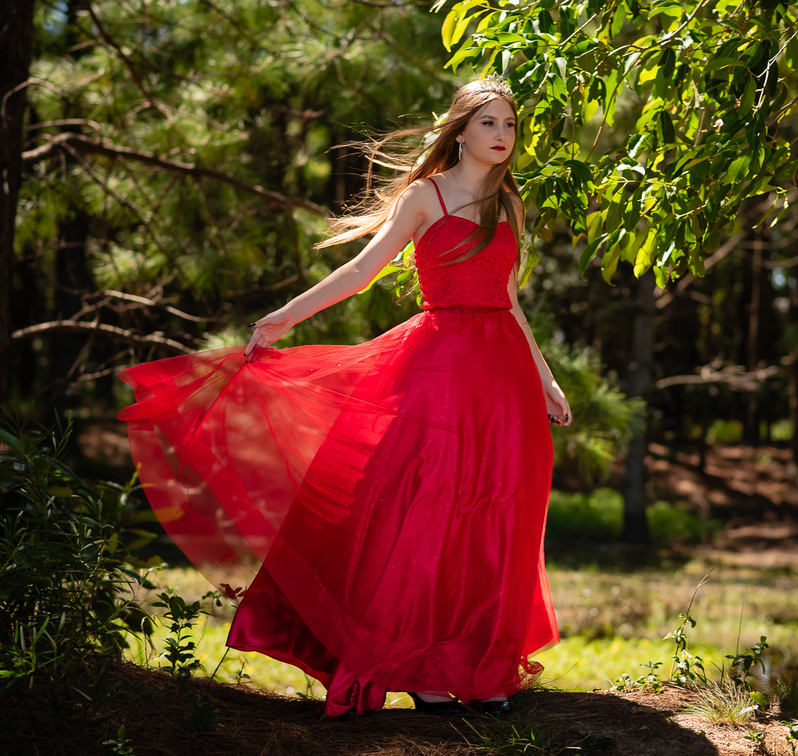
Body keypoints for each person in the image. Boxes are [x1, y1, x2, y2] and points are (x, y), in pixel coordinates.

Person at [118, 76, 569, 718]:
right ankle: (418, 668)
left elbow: (511, 301)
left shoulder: (511, 204)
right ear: (460, 130)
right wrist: (284, 317)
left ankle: (478, 666)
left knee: (494, 517)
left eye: (510, 125)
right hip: (437, 371)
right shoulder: (425, 195)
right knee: (426, 512)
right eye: (489, 122)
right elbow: (361, 272)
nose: (502, 135)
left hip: (501, 380)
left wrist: (544, 378)